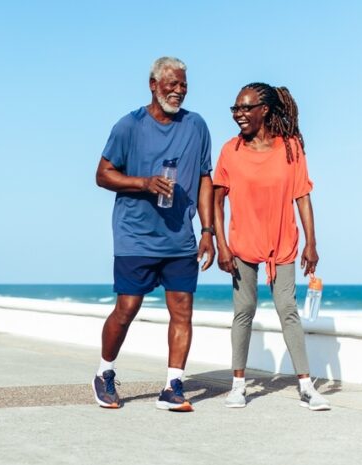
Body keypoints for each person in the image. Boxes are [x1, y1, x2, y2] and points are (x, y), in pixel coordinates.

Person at [92, 56, 215, 412]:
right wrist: (143, 183)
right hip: (135, 235)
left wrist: (207, 230)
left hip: (180, 237)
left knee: (183, 310)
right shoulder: (128, 126)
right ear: (153, 85)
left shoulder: (197, 126)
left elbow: (206, 178)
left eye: (183, 85)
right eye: (171, 85)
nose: (178, 91)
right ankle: (105, 373)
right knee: (127, 308)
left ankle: (173, 385)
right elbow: (102, 175)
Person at [212, 82, 330, 411]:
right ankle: (238, 386)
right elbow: (216, 201)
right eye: (235, 109)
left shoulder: (290, 148)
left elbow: (302, 195)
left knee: (287, 311)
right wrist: (221, 243)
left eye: (246, 108)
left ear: (264, 110)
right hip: (241, 244)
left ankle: (306, 386)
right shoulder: (229, 151)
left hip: (283, 243)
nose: (239, 115)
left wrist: (312, 242)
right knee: (244, 312)